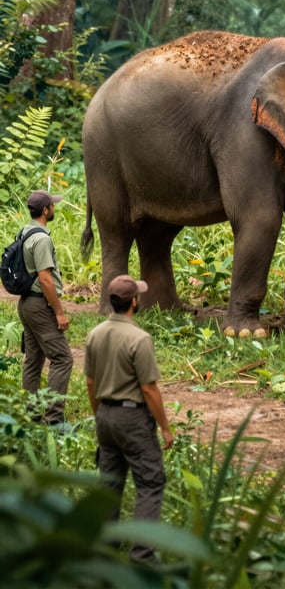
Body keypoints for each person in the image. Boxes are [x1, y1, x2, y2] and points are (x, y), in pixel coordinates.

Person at [84, 274, 173, 563]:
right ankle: (143, 554)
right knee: (150, 481)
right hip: (132, 417)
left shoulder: (95, 334)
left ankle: (105, 547)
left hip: (106, 415)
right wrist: (165, 427)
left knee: (110, 482)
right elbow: (149, 388)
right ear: (134, 301)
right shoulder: (139, 338)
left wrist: (101, 415)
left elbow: (89, 382)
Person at [18, 189, 72, 427]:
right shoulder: (41, 239)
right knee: (62, 358)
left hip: (27, 303)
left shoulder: (25, 231)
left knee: (33, 359)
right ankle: (54, 419)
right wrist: (59, 311)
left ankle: (31, 415)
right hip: (40, 306)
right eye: (52, 205)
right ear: (45, 210)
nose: (54, 208)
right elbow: (46, 279)